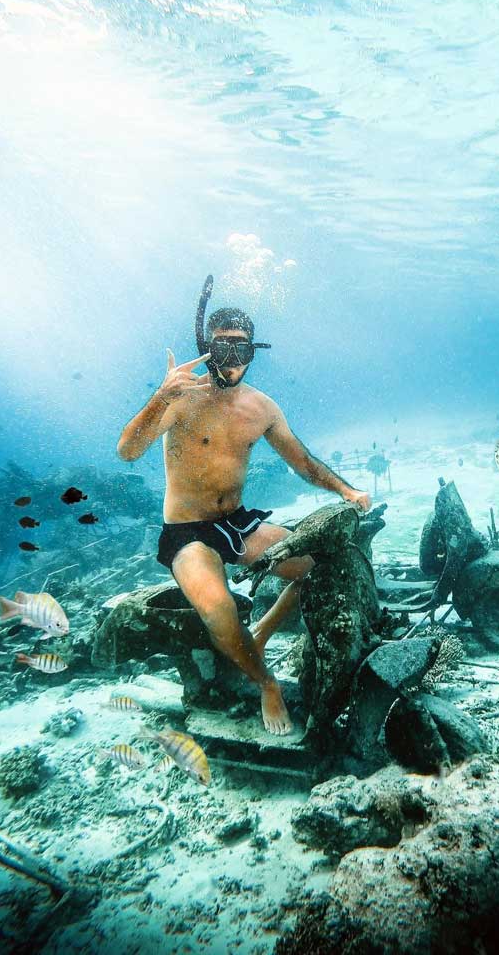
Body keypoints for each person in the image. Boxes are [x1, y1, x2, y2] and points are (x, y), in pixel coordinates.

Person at [116, 306, 371, 735]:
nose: (233, 358)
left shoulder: (261, 407)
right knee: (218, 607)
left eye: (243, 348)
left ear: (254, 352)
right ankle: (265, 682)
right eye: (223, 346)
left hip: (236, 523)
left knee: (323, 567)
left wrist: (345, 490)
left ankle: (261, 635)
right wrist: (161, 396)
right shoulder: (182, 399)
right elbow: (127, 450)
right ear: (207, 346)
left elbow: (302, 462)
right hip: (186, 532)